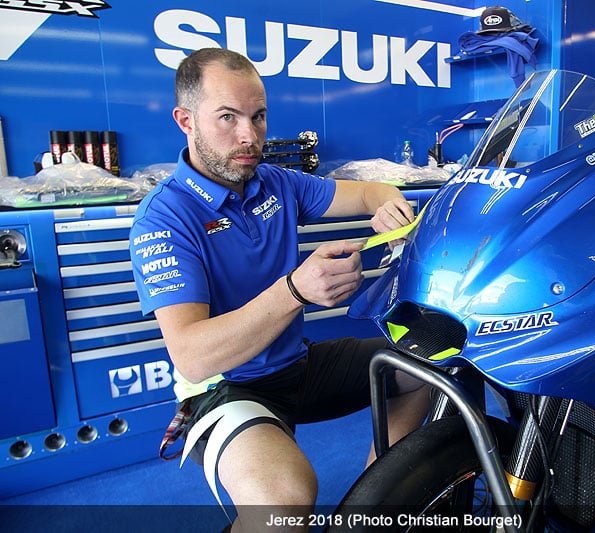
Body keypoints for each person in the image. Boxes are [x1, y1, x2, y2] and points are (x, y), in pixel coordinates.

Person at [129, 47, 429, 532]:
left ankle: (374, 504)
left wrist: (389, 203)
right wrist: (294, 291)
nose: (249, 136)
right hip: (224, 387)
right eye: (228, 117)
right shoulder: (163, 218)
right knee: (283, 503)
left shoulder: (277, 183)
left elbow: (368, 190)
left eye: (258, 116)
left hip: (296, 366)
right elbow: (193, 356)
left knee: (427, 361)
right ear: (186, 121)